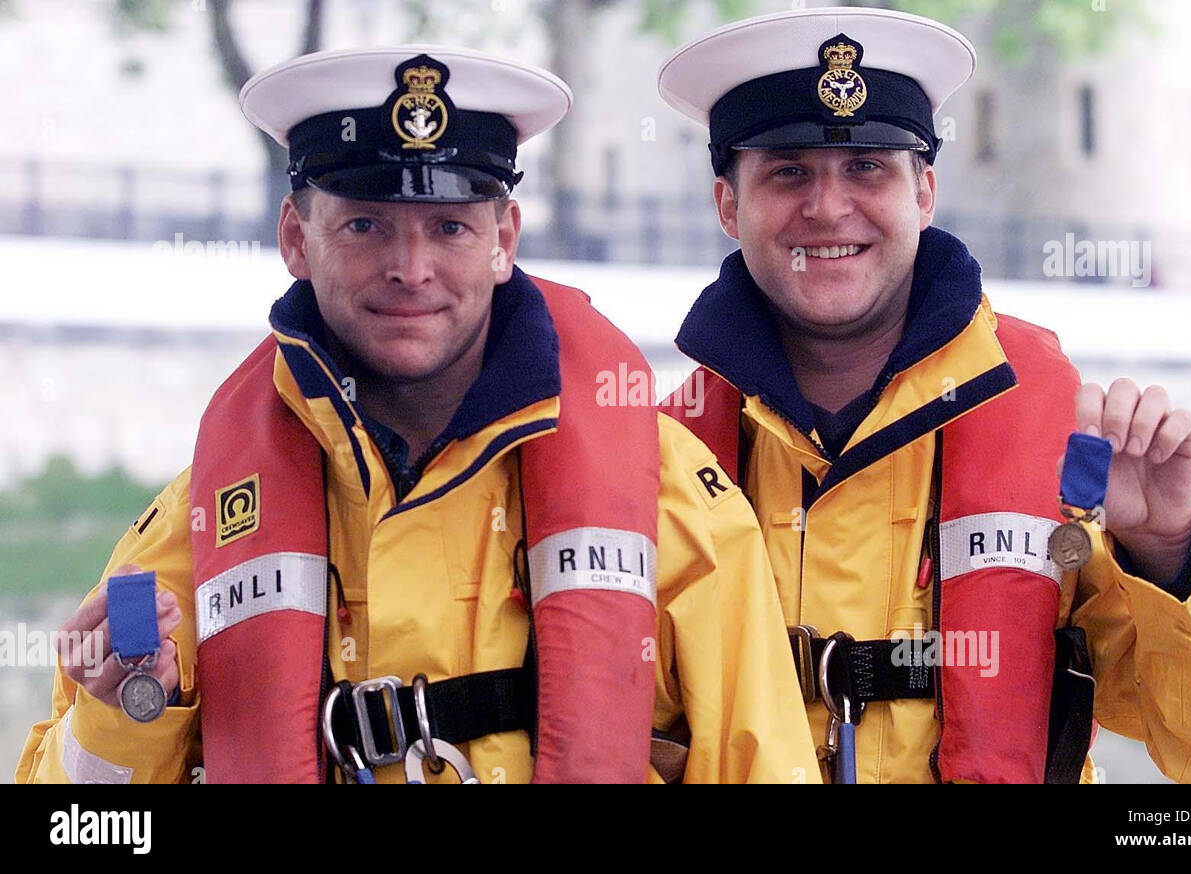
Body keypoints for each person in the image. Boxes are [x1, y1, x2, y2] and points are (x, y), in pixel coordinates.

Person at [16, 46, 818, 784]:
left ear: (504, 238)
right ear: (297, 238)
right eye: (365, 226)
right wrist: (121, 717)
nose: (410, 269)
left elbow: (765, 763)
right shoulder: (202, 520)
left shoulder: (671, 493)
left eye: (450, 227)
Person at [657, 7, 1191, 783]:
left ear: (924, 193)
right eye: (788, 170)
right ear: (728, 205)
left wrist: (1170, 551)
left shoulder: (1070, 439)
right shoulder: (665, 461)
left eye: (868, 167)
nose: (828, 208)